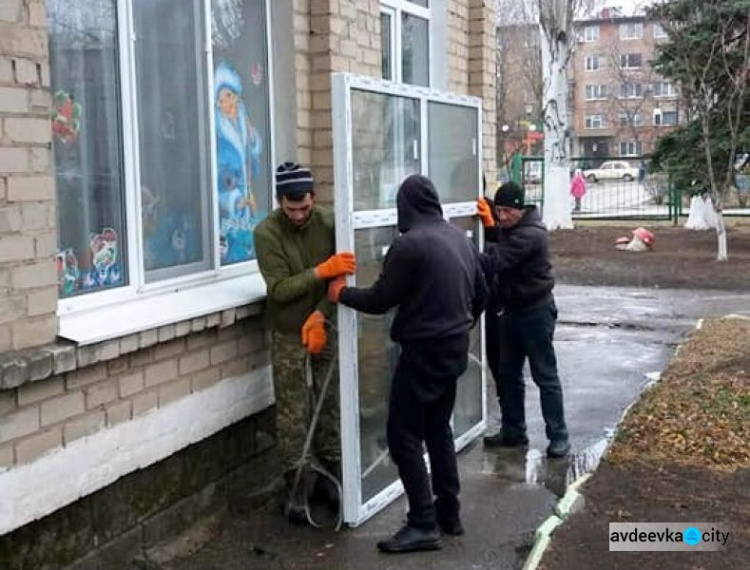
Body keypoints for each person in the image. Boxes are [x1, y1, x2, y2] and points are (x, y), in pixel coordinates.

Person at [328, 174, 487, 554]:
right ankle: (450, 513)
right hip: (453, 350)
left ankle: (422, 524)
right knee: (438, 430)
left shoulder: (409, 245)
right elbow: (481, 294)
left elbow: (382, 299)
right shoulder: (457, 239)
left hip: (423, 353)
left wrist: (342, 293)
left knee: (403, 438)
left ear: (405, 207)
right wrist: (459, 326)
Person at [254, 161, 357, 523]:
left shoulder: (330, 223)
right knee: (293, 410)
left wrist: (321, 313)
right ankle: (297, 488)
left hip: (322, 322)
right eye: (291, 208)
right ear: (280, 201)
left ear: (314, 196)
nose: (298, 214)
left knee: (331, 402)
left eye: (305, 206)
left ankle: (336, 480)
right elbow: (279, 290)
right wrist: (320, 270)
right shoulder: (266, 233)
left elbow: (340, 281)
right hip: (286, 330)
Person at [476, 181, 570, 458]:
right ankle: (514, 431)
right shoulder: (513, 229)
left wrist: (457, 248)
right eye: (499, 211)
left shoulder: (531, 234)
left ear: (519, 209)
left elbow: (496, 261)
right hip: (512, 312)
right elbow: (501, 243)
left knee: (545, 376)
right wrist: (491, 227)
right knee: (508, 375)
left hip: (536, 313)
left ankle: (559, 436)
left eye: (506, 212)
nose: (502, 217)